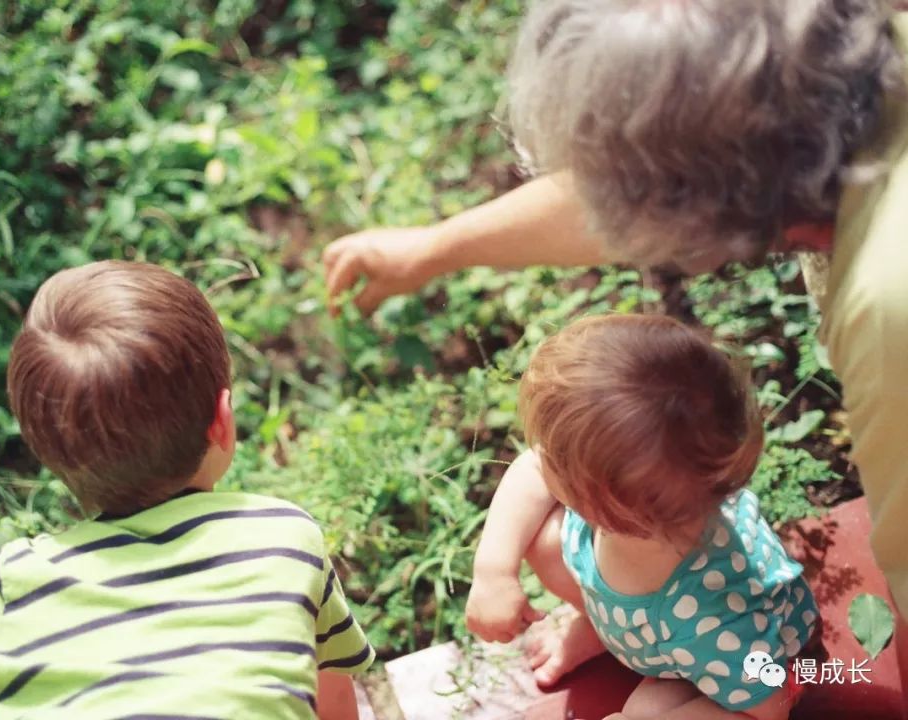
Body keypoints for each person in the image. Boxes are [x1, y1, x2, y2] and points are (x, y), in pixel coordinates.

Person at [323, 0, 908, 706]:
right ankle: (605, 629)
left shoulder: (889, 309)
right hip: (656, 623)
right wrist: (427, 251)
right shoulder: (860, 76)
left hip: (752, 669)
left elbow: (785, 682)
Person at [0, 261, 374, 720]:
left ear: (47, 454)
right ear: (223, 422)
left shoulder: (9, 588)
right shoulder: (282, 538)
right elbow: (334, 704)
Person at [466, 314, 819, 719]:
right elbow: (531, 471)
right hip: (652, 627)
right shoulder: (636, 508)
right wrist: (493, 572)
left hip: (731, 666)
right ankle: (601, 628)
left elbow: (769, 708)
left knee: (644, 711)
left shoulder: (713, 620)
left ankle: (614, 639)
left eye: (553, 461)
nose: (538, 459)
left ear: (597, 503)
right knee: (535, 536)